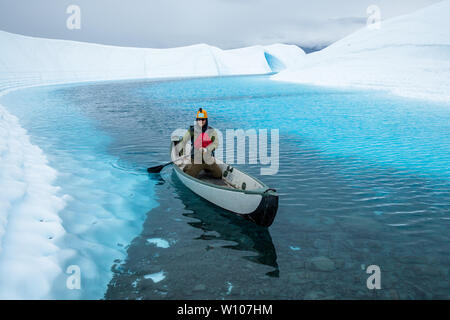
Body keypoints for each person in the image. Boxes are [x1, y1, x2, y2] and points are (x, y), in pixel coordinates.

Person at [175, 108, 222, 179]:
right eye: (199, 119)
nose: (201, 121)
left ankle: (206, 168)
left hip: (208, 159)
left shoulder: (211, 131)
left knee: (219, 175)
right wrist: (181, 154)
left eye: (203, 119)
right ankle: (188, 166)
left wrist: (207, 149)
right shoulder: (192, 130)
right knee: (189, 176)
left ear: (206, 120)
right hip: (196, 160)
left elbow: (216, 144)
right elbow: (183, 141)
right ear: (197, 120)